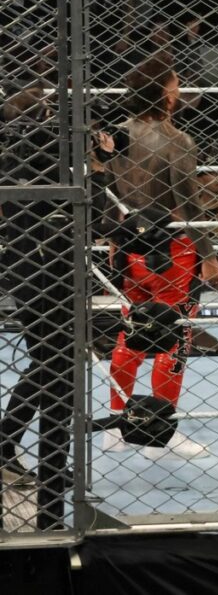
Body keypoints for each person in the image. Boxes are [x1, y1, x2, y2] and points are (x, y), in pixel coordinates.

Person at [103, 52, 218, 460]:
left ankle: (118, 424)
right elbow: (188, 205)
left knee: (132, 331)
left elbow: (110, 192)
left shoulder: (115, 135)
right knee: (174, 335)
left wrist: (116, 238)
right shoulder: (177, 142)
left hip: (129, 243)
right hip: (172, 248)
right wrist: (208, 255)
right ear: (164, 97)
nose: (179, 93)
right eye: (175, 88)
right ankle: (161, 431)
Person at [0, 85, 77, 527]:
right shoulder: (47, 161)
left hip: (29, 271)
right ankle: (46, 483)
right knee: (55, 364)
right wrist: (98, 167)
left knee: (48, 362)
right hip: (49, 273)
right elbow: (96, 210)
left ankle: (12, 446)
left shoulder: (15, 161)